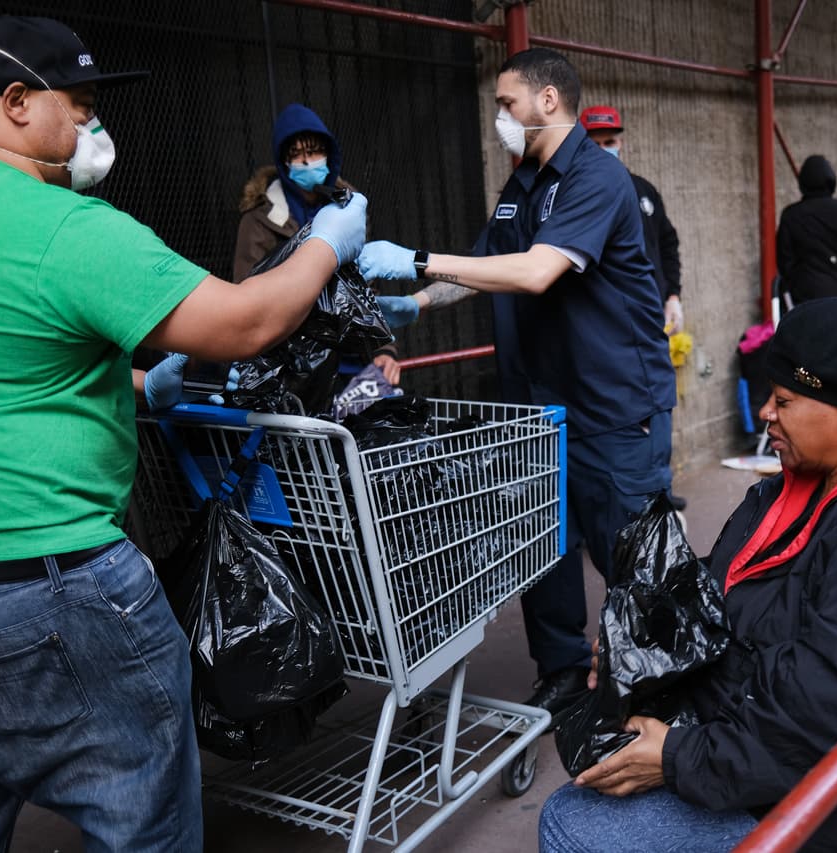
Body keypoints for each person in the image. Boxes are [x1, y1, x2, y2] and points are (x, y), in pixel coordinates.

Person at [0, 16, 367, 850]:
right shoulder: (62, 227)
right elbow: (245, 322)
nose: (92, 124)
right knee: (146, 825)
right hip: (57, 580)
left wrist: (137, 383)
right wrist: (327, 242)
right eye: (79, 103)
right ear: (18, 102)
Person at [538, 298, 837, 853]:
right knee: (592, 760)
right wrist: (637, 646)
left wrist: (677, 757)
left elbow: (830, 708)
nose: (765, 412)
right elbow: (723, 599)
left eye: (783, 400)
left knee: (573, 825)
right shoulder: (804, 484)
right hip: (767, 740)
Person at [355, 48, 677, 722]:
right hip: (541, 406)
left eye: (507, 103)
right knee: (546, 548)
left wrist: (416, 257)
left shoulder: (596, 178)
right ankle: (563, 669)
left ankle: (657, 693)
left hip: (614, 407)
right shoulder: (522, 185)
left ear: (548, 100)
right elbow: (484, 266)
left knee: (630, 555)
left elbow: (534, 272)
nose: (499, 115)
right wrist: (419, 301)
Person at [233, 103, 400, 384]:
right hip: (292, 367)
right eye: (296, 154)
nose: (307, 162)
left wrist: (383, 349)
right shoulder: (259, 220)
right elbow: (248, 296)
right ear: (284, 162)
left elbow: (366, 285)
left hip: (351, 360)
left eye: (313, 152)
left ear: (328, 154)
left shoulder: (350, 208)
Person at [579, 103, 688, 512]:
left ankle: (661, 489)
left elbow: (668, 243)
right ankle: (628, 501)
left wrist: (673, 295)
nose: (606, 149)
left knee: (659, 405)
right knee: (623, 416)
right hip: (609, 329)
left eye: (611, 141)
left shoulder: (643, 191)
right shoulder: (579, 196)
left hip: (651, 321)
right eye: (596, 143)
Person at [774, 154, 837, 311]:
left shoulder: (790, 215)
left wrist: (798, 285)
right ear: (832, 181)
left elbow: (785, 262)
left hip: (809, 297)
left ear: (802, 183)